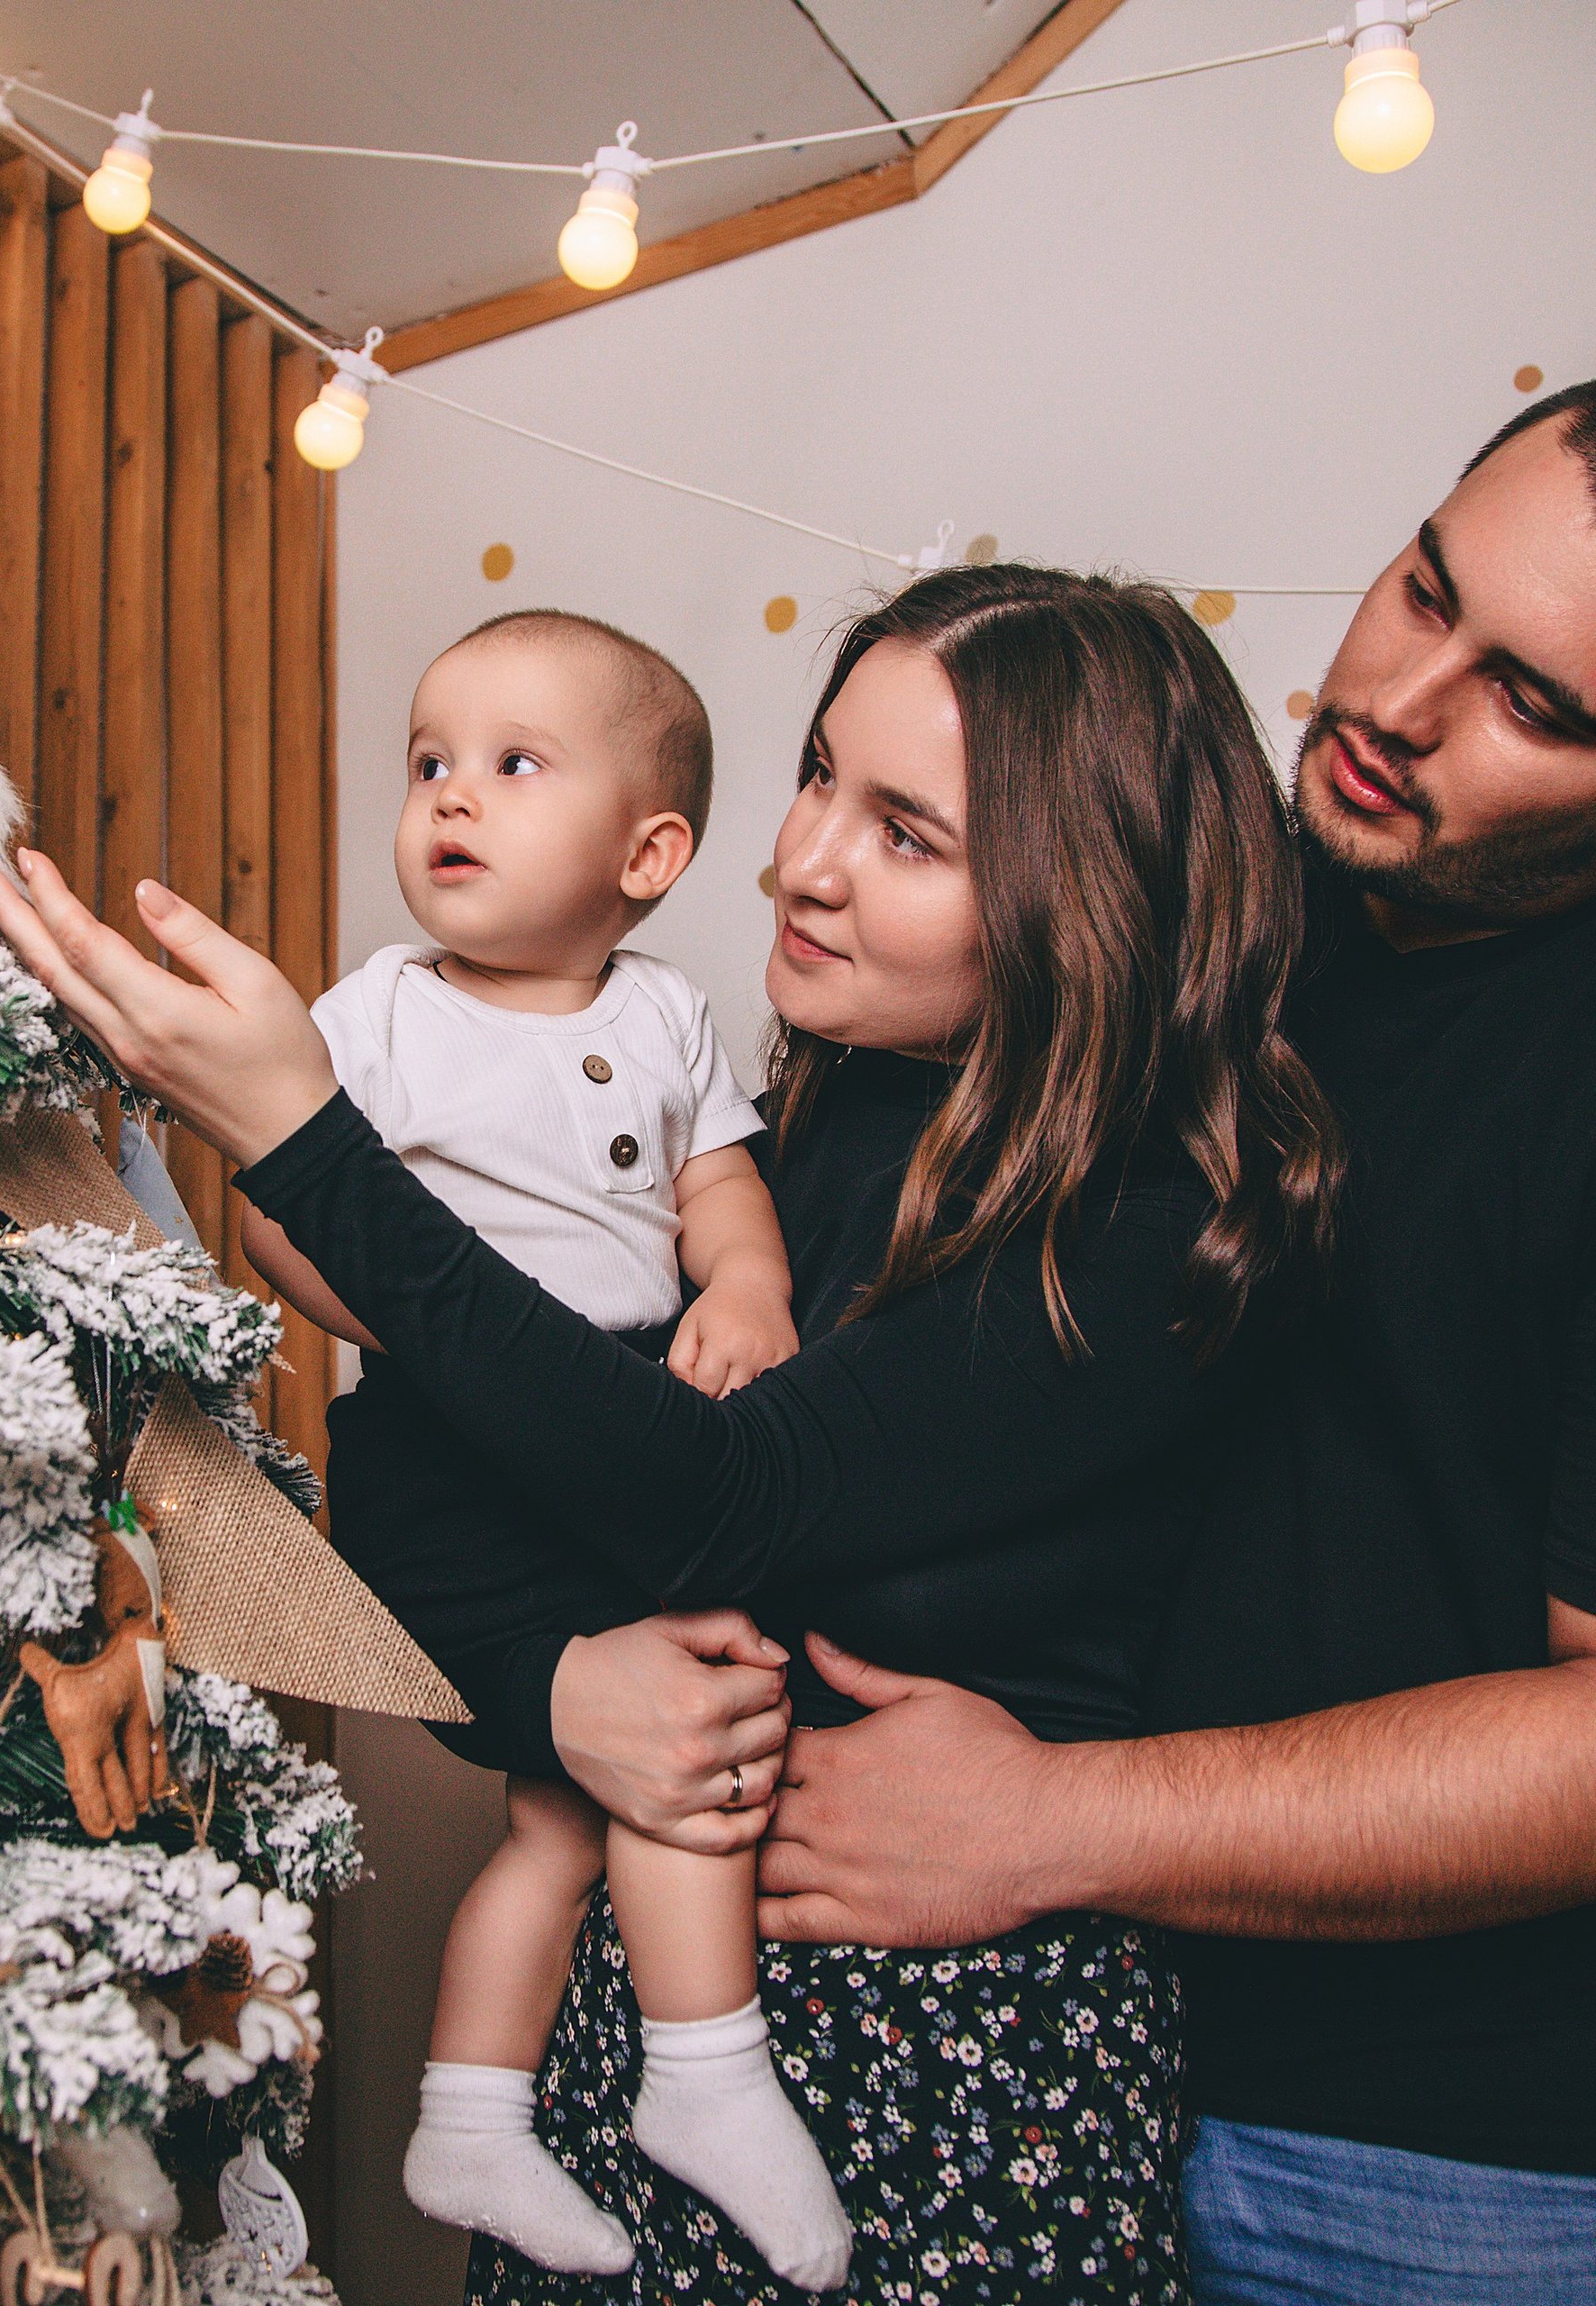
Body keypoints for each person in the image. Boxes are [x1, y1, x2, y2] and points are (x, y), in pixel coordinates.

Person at [0, 561, 1347, 2303]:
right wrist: (551, 1691)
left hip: (943, 2070)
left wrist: (304, 1140)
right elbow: (453, 1496)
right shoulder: (797, 1136)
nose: (807, 859)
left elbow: (725, 1503)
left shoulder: (1155, 1226)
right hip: (631, 2035)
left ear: (1087, 908)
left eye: (908, 834)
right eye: (823, 777)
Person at [714, 384, 1596, 2302]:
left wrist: (1056, 1818)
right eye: (1420, 586)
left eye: (1530, 702)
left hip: (1425, 2167)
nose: (1394, 698)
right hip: (1039, 2038)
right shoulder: (1209, 916)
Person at [245, 606, 848, 2288]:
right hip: (457, 1434)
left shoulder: (664, 1014)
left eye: (514, 766)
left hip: (638, 1407)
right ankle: (708, 2073)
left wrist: (745, 1282)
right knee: (679, 1714)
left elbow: (717, 1183)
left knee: (570, 1813)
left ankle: (476, 2110)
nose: (452, 797)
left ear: (647, 853)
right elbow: (287, 1203)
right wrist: (391, 1322)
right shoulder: (377, 1012)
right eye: (432, 761)